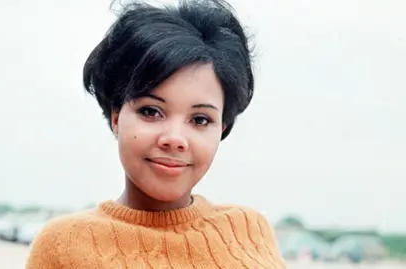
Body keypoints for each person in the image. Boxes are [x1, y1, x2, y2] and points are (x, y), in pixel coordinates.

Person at [26, 0, 287, 268]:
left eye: (199, 119)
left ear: (221, 129)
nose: (174, 139)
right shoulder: (64, 245)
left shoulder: (249, 231)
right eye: (151, 111)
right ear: (116, 116)